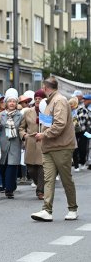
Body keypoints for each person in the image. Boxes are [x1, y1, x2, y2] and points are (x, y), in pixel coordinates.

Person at [30, 77, 78, 222]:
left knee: (65, 179)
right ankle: (47, 210)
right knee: (48, 179)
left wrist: (43, 134)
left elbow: (60, 124)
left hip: (62, 146)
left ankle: (72, 208)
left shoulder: (59, 101)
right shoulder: (51, 101)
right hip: (49, 146)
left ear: (45, 88)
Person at [19, 90, 46, 200]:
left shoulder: (47, 112)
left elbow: (51, 126)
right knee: (31, 169)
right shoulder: (27, 112)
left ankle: (40, 191)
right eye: (36, 98)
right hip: (30, 142)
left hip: (43, 142)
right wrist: (24, 135)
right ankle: (38, 183)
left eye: (40, 98)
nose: (37, 100)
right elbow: (21, 127)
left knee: (41, 168)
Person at [0, 96, 24, 199]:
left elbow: (22, 128)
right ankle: (10, 184)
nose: (11, 103)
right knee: (2, 167)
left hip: (15, 143)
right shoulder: (1, 115)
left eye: (14, 102)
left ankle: (9, 189)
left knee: (12, 166)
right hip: (3, 144)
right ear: (6, 103)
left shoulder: (20, 115)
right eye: (9, 101)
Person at [77, 94, 91, 169]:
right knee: (83, 146)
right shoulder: (82, 109)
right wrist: (86, 133)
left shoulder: (86, 108)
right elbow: (81, 123)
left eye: (86, 100)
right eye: (84, 100)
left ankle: (83, 161)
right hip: (83, 131)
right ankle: (81, 162)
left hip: (86, 130)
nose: (84, 101)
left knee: (86, 146)